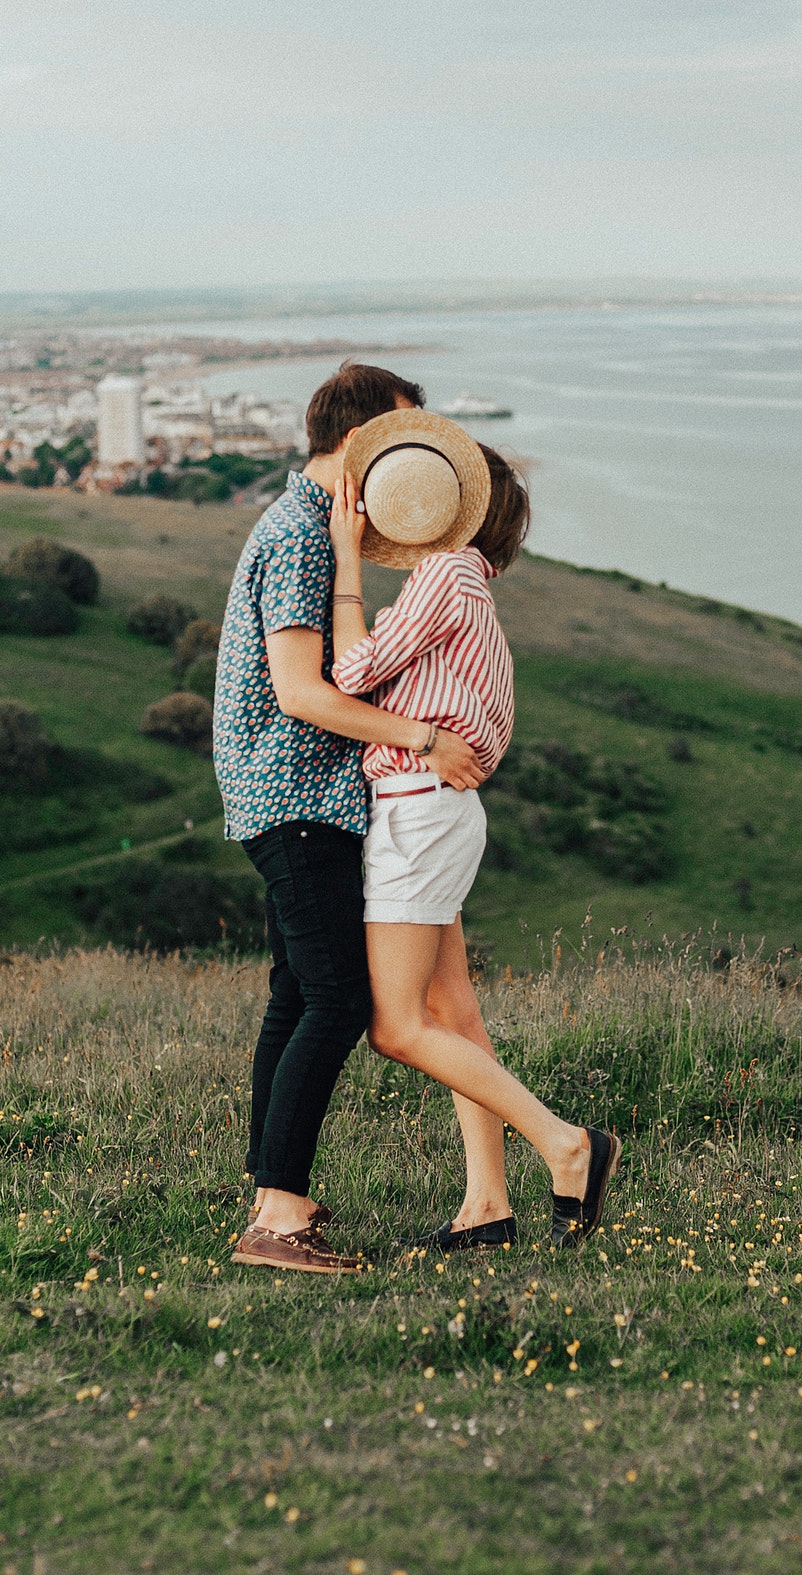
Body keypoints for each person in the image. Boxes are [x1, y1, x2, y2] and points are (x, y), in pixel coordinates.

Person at [214, 362, 487, 1275]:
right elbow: (300, 691)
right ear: (363, 443)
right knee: (337, 998)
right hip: (295, 796)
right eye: (407, 441)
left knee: (295, 994)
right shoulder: (298, 534)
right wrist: (423, 739)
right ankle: (279, 1218)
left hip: (289, 797)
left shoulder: (308, 528)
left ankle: (272, 1193)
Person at [328, 409, 620, 1250]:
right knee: (453, 1013)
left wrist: (348, 561)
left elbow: (349, 674)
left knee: (396, 1026)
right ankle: (487, 1204)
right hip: (432, 809)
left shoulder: (447, 575)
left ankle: (568, 1144)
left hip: (419, 809)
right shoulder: (465, 588)